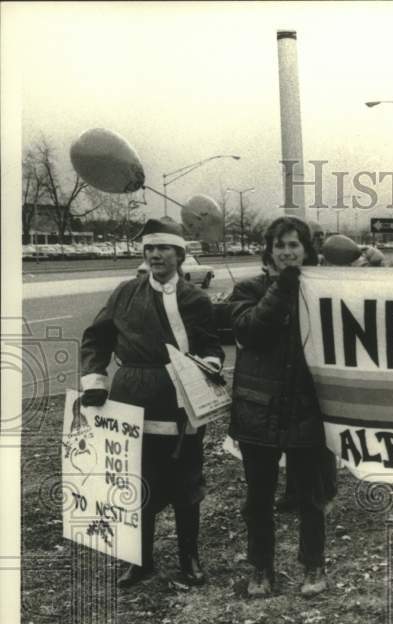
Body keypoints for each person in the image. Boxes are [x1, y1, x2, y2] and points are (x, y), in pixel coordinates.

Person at [80, 218, 223, 588]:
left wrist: (208, 366)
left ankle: (189, 559)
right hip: (132, 397)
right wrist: (95, 381)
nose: (156, 255)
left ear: (180, 254)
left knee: (186, 481)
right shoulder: (126, 293)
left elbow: (209, 344)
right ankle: (139, 561)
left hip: (182, 400)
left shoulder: (196, 299)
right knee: (135, 481)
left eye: (164, 248)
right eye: (150, 248)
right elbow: (96, 339)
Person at [228, 216, 333, 598]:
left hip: (308, 409)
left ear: (307, 250)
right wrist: (284, 288)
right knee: (258, 499)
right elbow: (251, 329)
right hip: (258, 411)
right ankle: (261, 568)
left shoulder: (323, 292)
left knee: (310, 497)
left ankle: (313, 565)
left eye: (295, 246)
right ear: (269, 252)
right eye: (280, 246)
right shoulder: (248, 289)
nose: (288, 252)